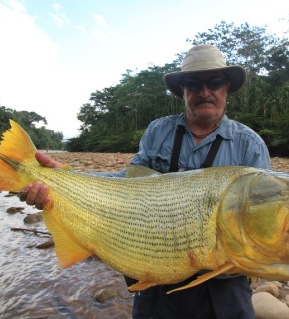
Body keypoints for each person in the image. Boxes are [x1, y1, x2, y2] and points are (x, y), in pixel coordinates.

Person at [19, 44, 271, 318]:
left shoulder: (251, 146)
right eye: (193, 83)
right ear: (182, 90)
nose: (204, 92)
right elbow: (128, 184)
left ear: (226, 87)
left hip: (222, 285)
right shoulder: (158, 131)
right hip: (156, 270)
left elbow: (261, 224)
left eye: (214, 82)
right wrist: (64, 178)